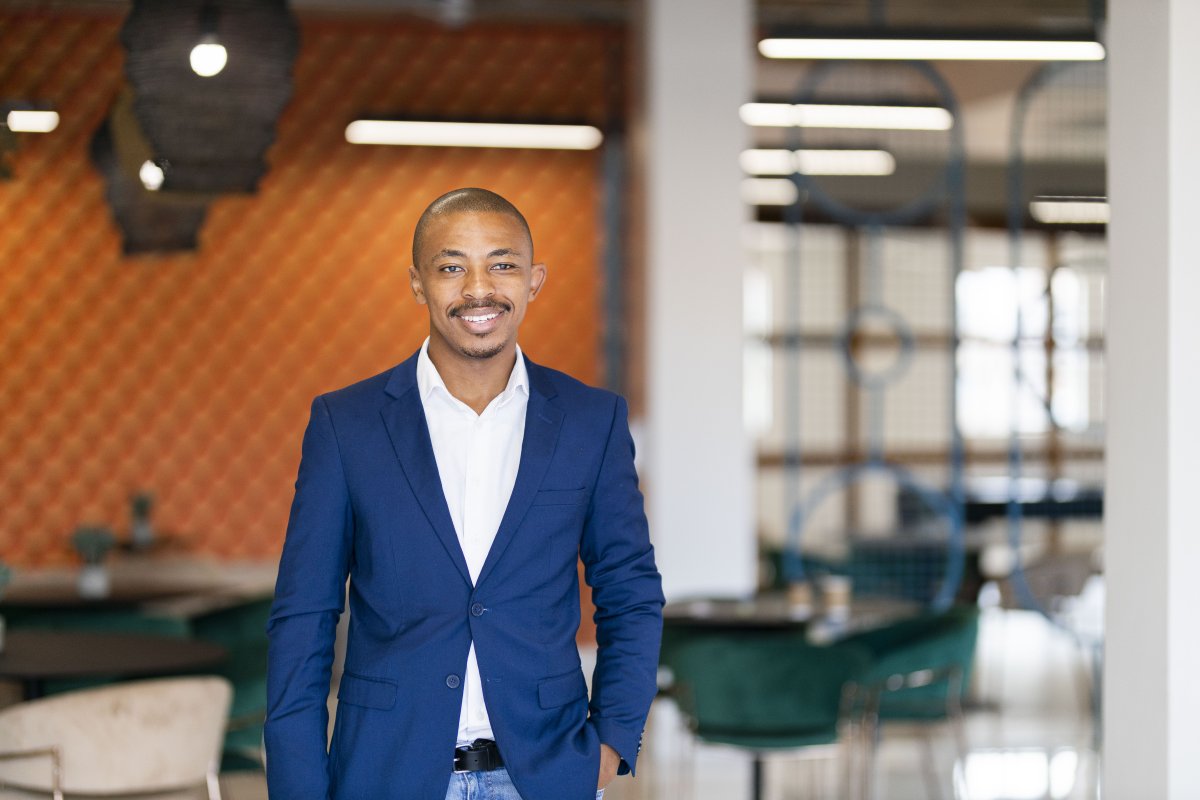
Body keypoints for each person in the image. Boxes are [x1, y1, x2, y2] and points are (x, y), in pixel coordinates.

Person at [265, 188, 664, 800]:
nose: (479, 288)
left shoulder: (592, 421)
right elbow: (304, 616)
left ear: (534, 281)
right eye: (451, 267)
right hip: (385, 773)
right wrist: (298, 786)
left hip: (546, 772)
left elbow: (631, 591)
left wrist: (612, 743)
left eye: (502, 264)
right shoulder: (348, 424)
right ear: (418, 284)